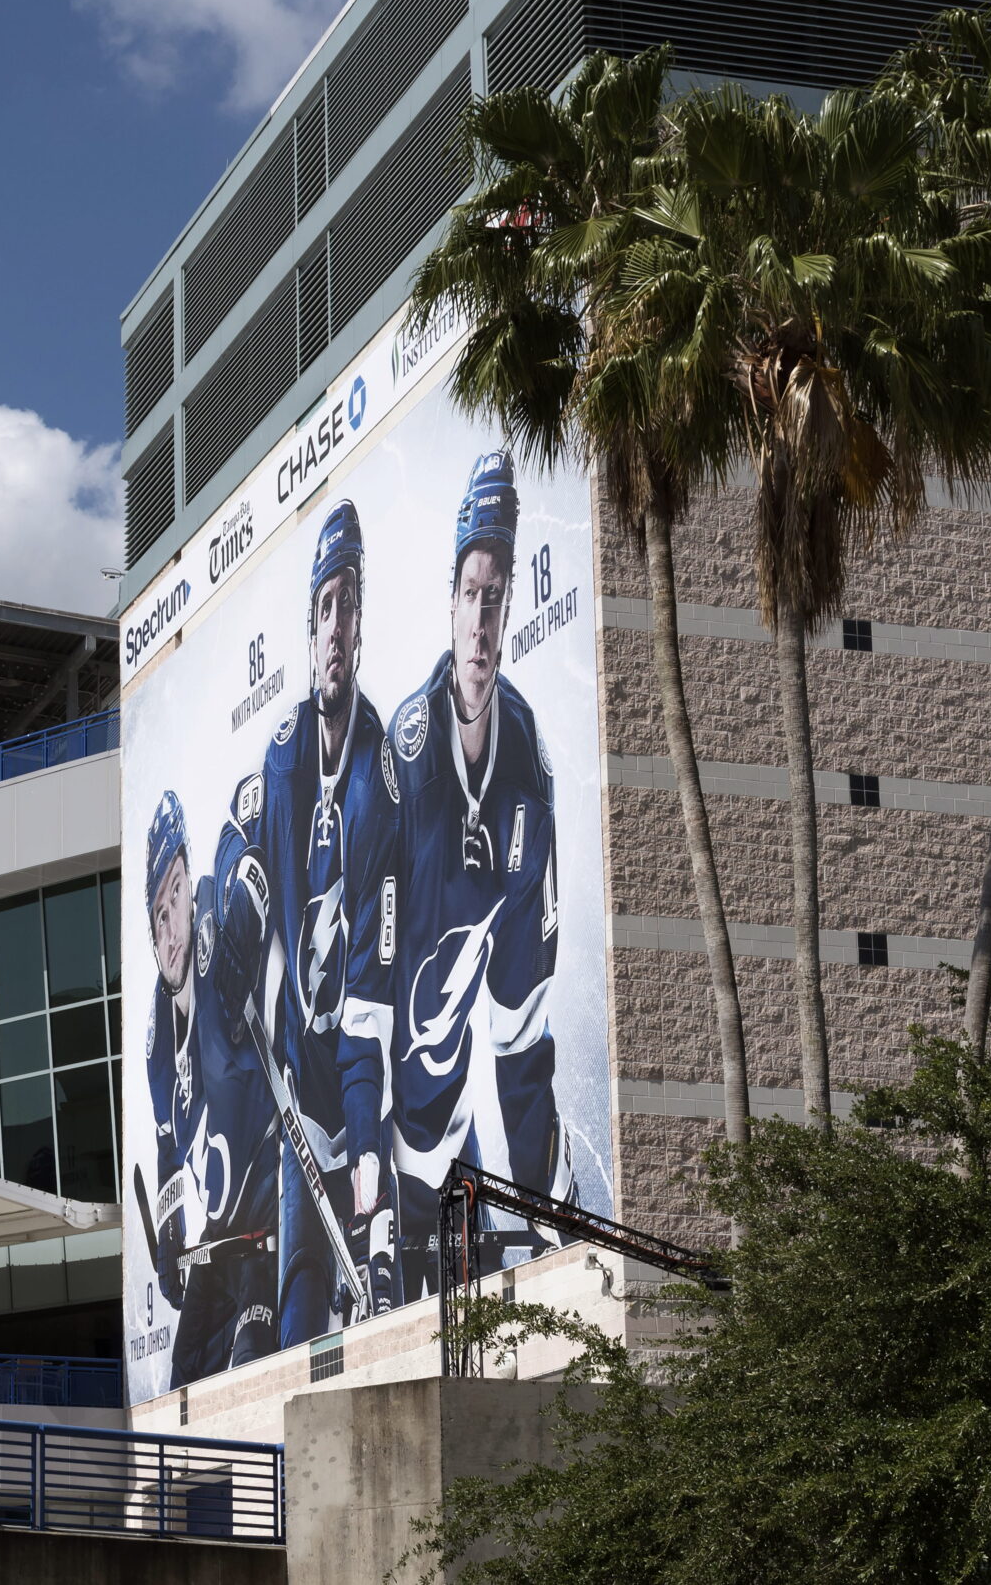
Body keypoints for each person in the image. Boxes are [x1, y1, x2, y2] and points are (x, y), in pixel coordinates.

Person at [346, 452, 570, 1300]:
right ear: (450, 601)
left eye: (496, 594)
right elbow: (366, 1004)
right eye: (470, 591)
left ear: (510, 606)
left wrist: (549, 1212)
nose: (481, 618)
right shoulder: (399, 767)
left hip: (456, 1121)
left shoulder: (528, 768)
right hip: (396, 1123)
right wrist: (367, 1158)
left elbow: (519, 1030)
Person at [210, 501, 394, 1347]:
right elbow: (237, 844)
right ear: (309, 624)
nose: (335, 626)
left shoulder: (380, 768)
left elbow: (371, 982)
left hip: (360, 1069)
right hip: (292, 1074)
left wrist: (364, 1148)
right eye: (324, 606)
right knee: (299, 1297)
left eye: (348, 606)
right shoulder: (282, 755)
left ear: (361, 626)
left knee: (382, 1266)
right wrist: (234, 911)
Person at [136, 791, 279, 1389]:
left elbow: (249, 865)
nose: (172, 929)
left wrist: (235, 836)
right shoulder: (155, 1045)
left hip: (270, 1234)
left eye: (177, 896)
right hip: (217, 1252)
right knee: (180, 1388)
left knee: (252, 1370)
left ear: (189, 880)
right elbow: (171, 1154)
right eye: (159, 916)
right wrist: (169, 1243)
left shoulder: (217, 940)